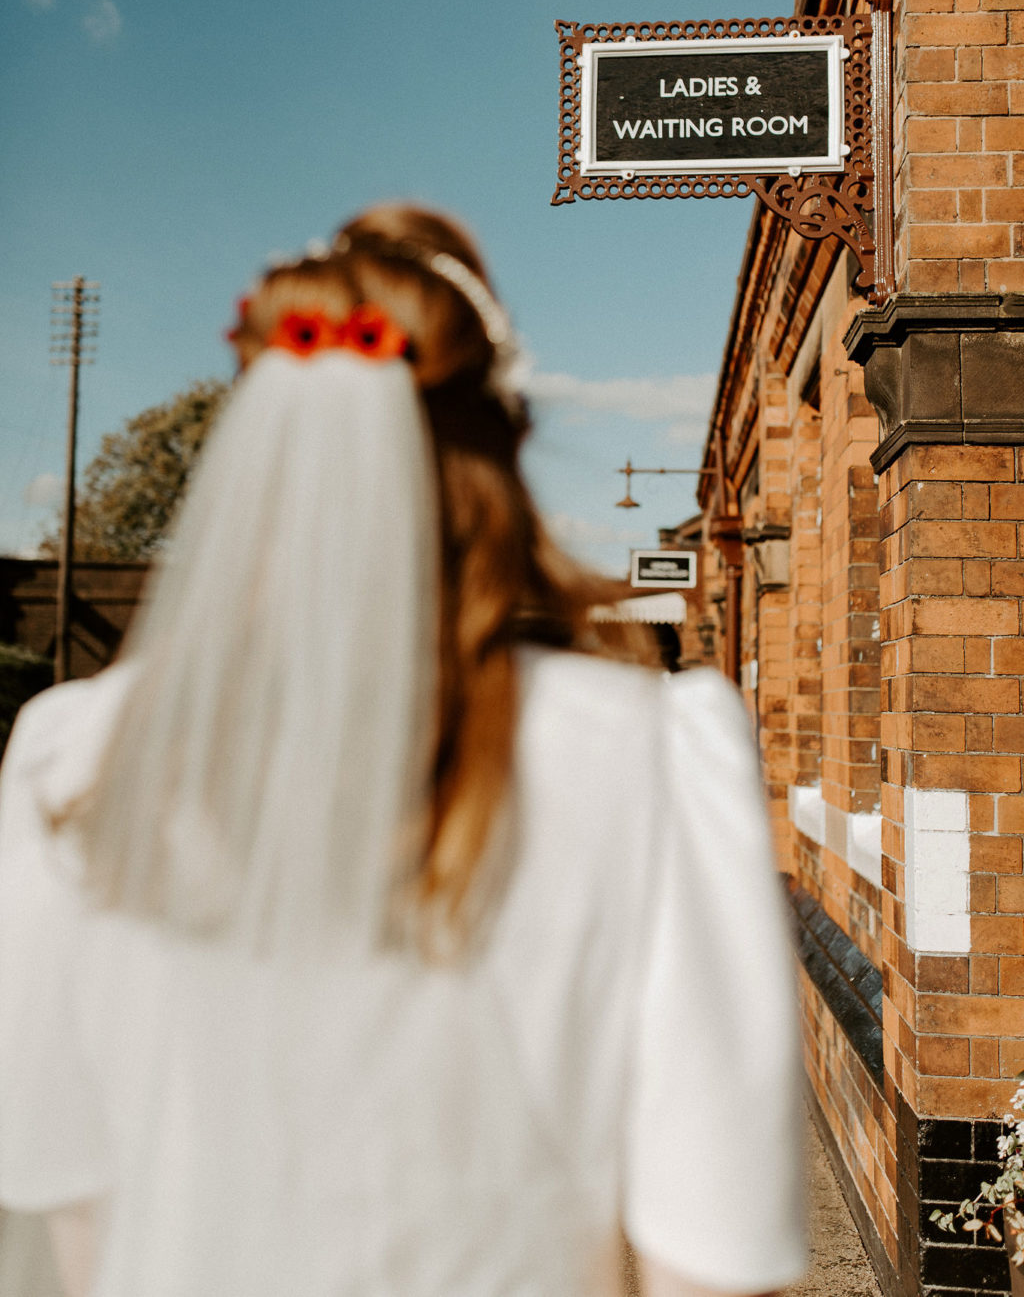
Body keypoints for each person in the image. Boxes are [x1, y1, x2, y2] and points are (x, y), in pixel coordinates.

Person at [0, 204, 805, 1297]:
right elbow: (711, 1258)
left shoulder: (77, 762)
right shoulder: (649, 759)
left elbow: (69, 1208)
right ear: (502, 447)